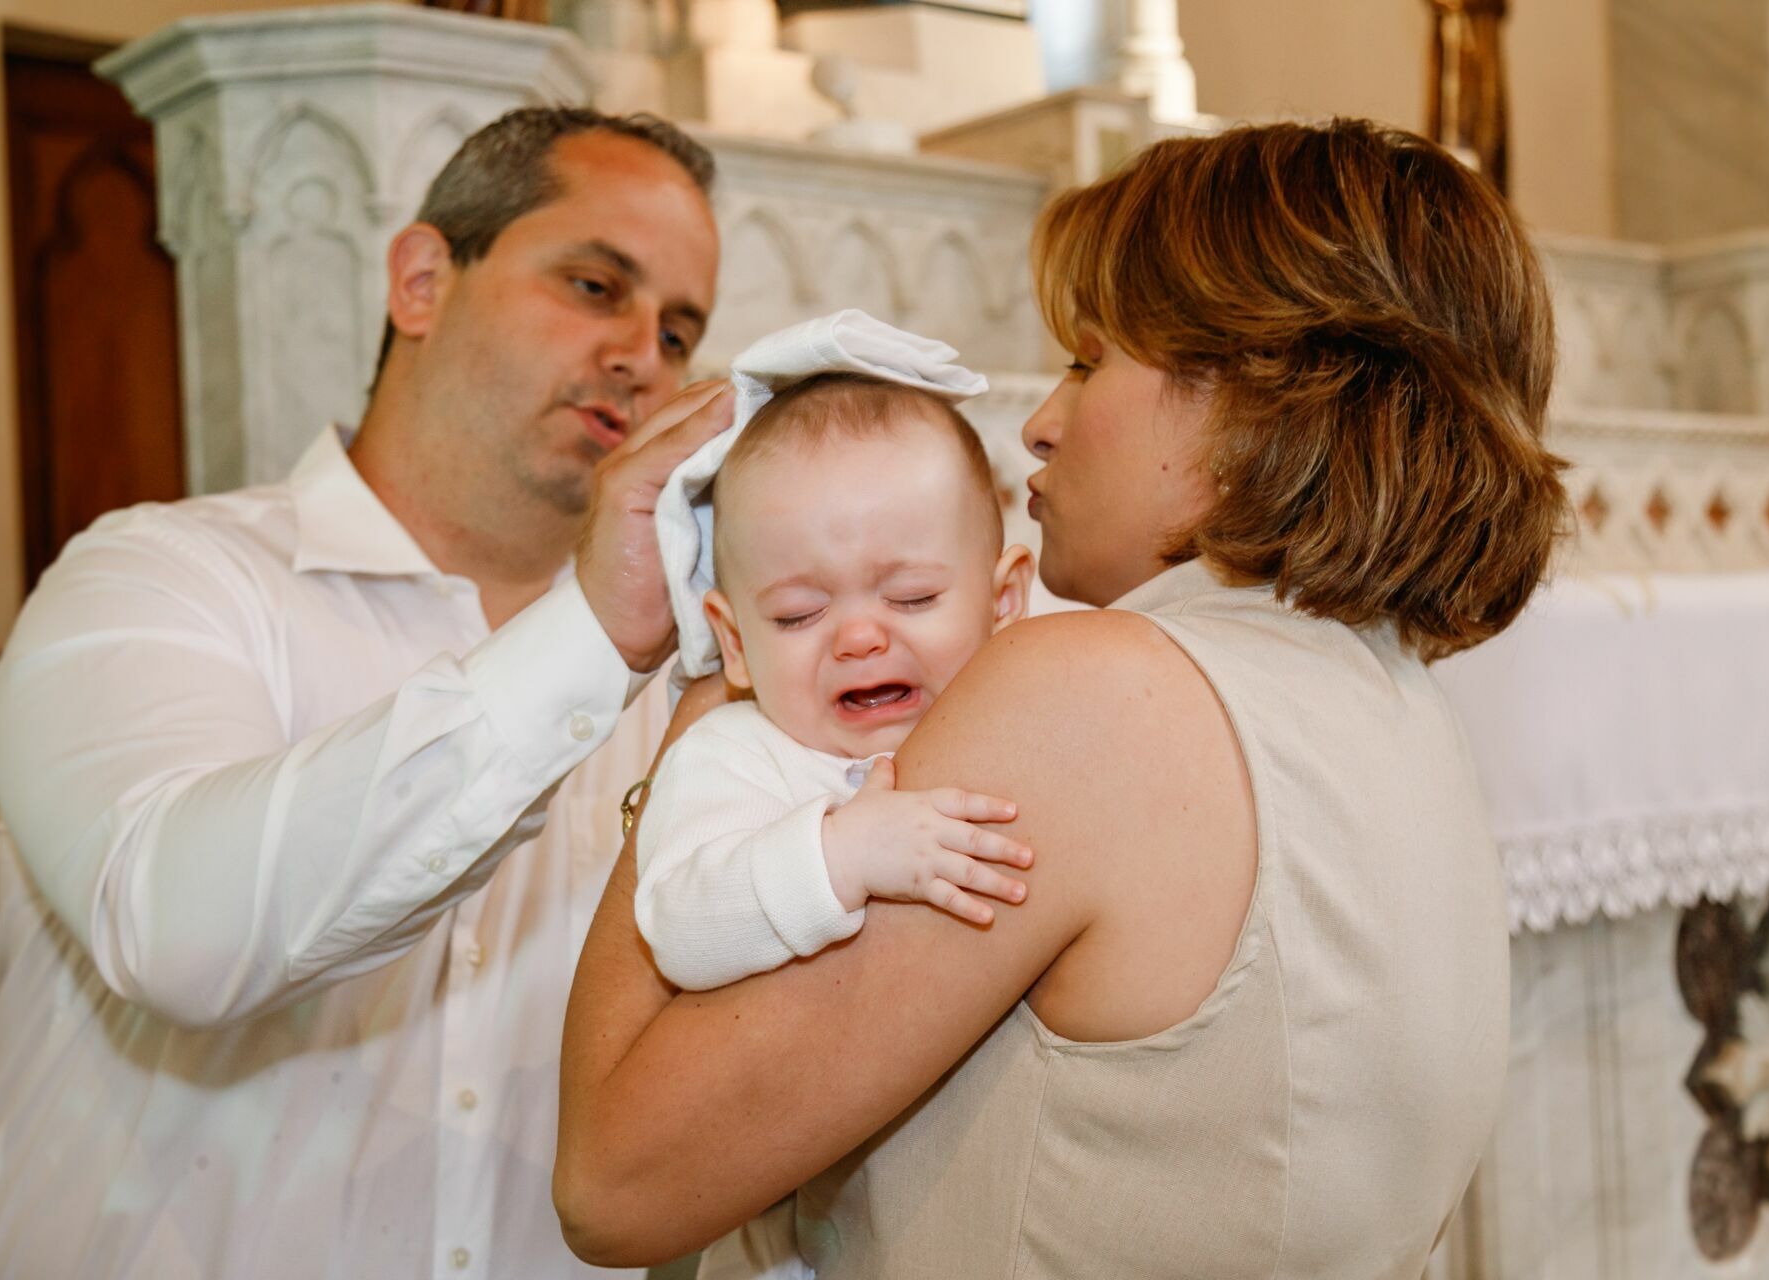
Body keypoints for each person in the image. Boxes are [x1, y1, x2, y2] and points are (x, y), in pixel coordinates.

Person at [555, 119, 1570, 1278]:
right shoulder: (1399, 704)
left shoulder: (1102, 693)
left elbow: (615, 1180)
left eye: (1090, 361)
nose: (1042, 419)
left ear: (1256, 388)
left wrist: (722, 672)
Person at [0, 106, 735, 1279]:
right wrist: (595, 636)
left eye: (680, 330)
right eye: (598, 285)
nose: (644, 355)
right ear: (420, 279)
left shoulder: (691, 691)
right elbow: (175, 928)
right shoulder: (156, 579)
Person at [635, 366, 1037, 1280]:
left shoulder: (1021, 733)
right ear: (733, 643)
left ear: (1003, 600)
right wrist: (842, 853)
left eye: (911, 599)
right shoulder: (738, 755)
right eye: (800, 613)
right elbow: (678, 924)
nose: (858, 638)